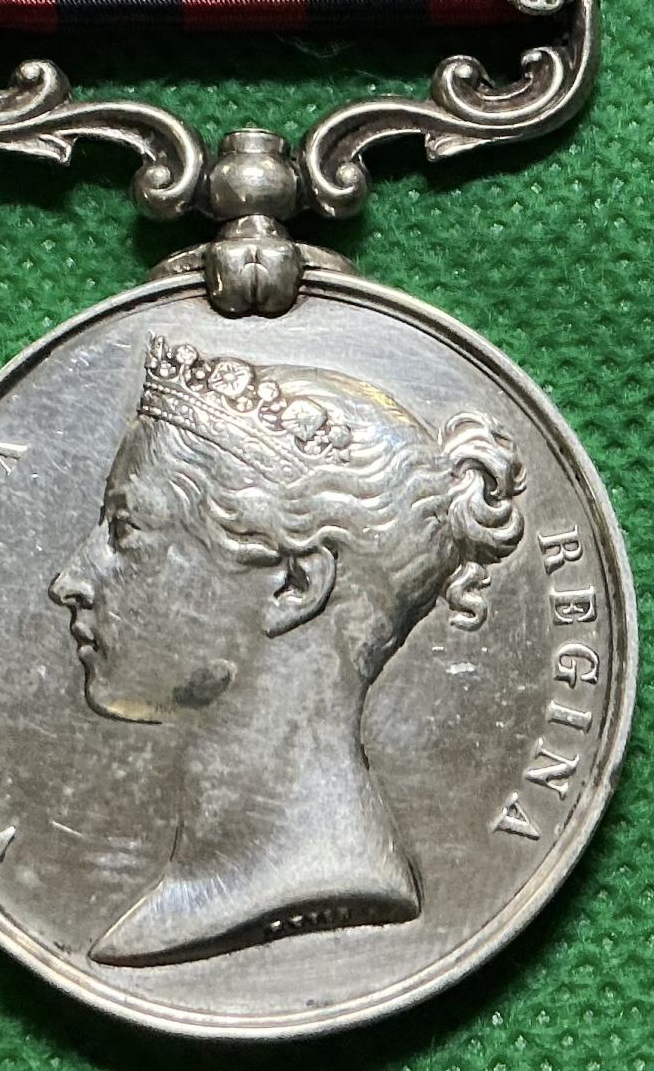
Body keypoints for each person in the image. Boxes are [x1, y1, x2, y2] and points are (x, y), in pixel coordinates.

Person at [50, 334, 526, 966]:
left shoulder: (328, 880)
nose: (69, 581)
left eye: (124, 529)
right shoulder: (205, 875)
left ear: (294, 585)